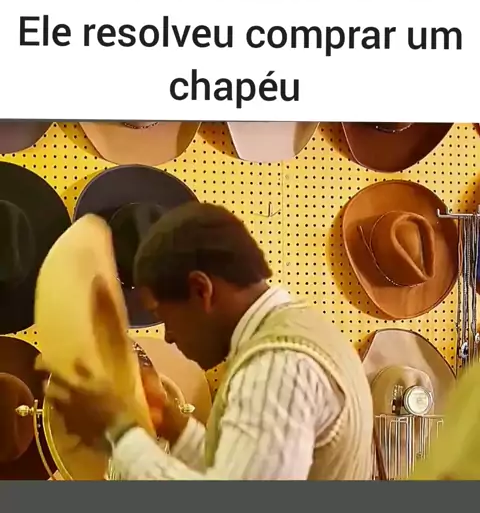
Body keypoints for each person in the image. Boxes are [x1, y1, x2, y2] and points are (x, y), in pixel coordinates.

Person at [43, 202, 374, 480]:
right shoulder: (302, 332)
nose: (168, 335)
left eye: (163, 315)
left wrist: (119, 431)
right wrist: (172, 424)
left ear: (201, 290)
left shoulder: (278, 364)